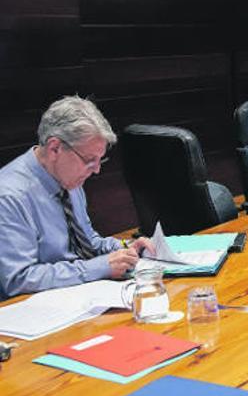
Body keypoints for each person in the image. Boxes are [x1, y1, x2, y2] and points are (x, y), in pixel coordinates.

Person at [0, 96, 155, 300]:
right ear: (55, 148)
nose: (97, 170)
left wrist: (123, 248)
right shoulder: (10, 196)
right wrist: (99, 267)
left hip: (79, 296)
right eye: (89, 160)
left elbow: (87, 241)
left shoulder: (68, 179)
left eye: (100, 160)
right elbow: (19, 279)